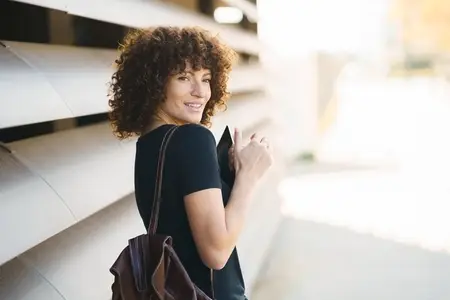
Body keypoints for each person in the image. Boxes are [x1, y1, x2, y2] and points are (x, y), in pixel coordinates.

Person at [108, 26, 273, 300]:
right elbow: (216, 253)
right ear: (154, 83)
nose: (200, 92)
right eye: (184, 77)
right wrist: (248, 178)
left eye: (206, 78)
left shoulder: (149, 146)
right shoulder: (192, 140)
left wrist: (225, 174)